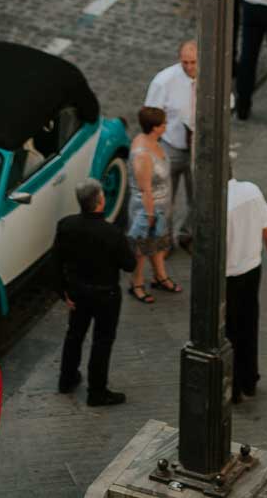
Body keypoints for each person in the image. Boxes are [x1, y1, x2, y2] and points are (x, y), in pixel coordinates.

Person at [53, 177, 135, 407]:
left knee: (74, 335)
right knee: (102, 341)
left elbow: (56, 261)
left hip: (77, 292)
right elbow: (129, 265)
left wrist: (63, 292)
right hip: (106, 295)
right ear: (100, 201)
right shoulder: (112, 233)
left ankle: (66, 379)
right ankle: (97, 392)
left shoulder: (66, 225)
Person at [225, 160, 267, 403]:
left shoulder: (213, 203)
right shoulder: (251, 190)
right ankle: (249, 378)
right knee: (249, 325)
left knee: (228, 329)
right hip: (251, 268)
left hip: (226, 273)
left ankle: (233, 385)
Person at [127, 106, 183, 303]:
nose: (166, 126)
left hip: (160, 205)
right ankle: (137, 284)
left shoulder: (155, 141)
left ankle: (160, 276)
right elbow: (145, 190)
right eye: (163, 124)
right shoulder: (142, 153)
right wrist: (149, 215)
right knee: (141, 248)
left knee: (158, 243)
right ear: (155, 128)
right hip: (146, 208)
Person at [145, 40, 197, 250]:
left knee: (199, 197)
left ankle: (188, 234)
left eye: (193, 62)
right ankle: (164, 241)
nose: (189, 67)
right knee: (164, 199)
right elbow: (150, 115)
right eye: (185, 62)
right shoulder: (164, 81)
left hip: (198, 147)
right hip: (170, 146)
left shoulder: (212, 77)